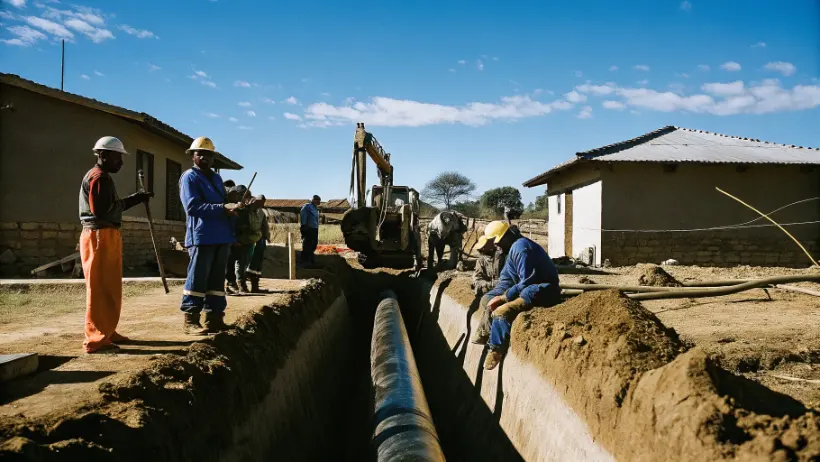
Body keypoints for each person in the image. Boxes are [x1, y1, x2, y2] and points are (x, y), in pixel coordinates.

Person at [78, 136, 153, 353]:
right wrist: (134, 199)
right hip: (99, 236)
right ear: (103, 155)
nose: (121, 162)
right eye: (117, 157)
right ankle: (95, 339)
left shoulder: (104, 177)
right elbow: (101, 210)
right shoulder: (98, 177)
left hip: (106, 234)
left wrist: (137, 198)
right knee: (99, 288)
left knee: (110, 287)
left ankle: (107, 330)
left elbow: (110, 206)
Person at [179, 136, 243, 335]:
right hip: (202, 235)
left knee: (216, 280)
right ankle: (191, 319)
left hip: (222, 235)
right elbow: (192, 206)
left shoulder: (216, 179)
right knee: (198, 278)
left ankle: (214, 318)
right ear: (193, 156)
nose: (205, 158)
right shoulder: (189, 177)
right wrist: (222, 208)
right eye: (201, 154)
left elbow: (223, 204)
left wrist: (233, 207)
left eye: (209, 155)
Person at [481, 220, 561, 370]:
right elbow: (508, 278)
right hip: (530, 287)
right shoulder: (513, 249)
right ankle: (488, 335)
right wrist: (498, 294)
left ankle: (496, 349)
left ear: (505, 237)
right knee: (491, 301)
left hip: (543, 289)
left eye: (496, 241)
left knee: (502, 311)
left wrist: (504, 298)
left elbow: (527, 281)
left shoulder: (521, 248)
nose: (495, 245)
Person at [470, 235, 508, 344]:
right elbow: (477, 279)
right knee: (488, 301)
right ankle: (484, 333)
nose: (480, 250)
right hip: (489, 288)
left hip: (503, 287)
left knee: (492, 304)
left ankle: (483, 333)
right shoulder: (481, 261)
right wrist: (488, 284)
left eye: (483, 248)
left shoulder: (502, 257)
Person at [226, 186, 264, 294]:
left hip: (243, 239)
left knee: (242, 261)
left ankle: (240, 283)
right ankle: (231, 283)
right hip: (233, 239)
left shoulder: (246, 209)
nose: (246, 198)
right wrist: (234, 239)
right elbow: (231, 224)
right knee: (230, 262)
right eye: (245, 196)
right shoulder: (231, 207)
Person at [246, 194, 270, 293]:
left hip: (260, 239)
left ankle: (255, 287)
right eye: (261, 202)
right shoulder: (248, 210)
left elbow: (265, 225)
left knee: (257, 265)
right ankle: (242, 285)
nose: (263, 204)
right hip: (250, 240)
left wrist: (267, 236)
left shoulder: (261, 212)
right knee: (249, 263)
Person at [299, 195, 321, 267]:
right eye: (318, 200)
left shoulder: (315, 209)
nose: (319, 202)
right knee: (307, 245)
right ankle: (305, 261)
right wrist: (304, 225)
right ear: (314, 200)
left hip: (314, 229)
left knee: (314, 244)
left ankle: (311, 260)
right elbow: (303, 214)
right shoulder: (307, 207)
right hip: (308, 228)